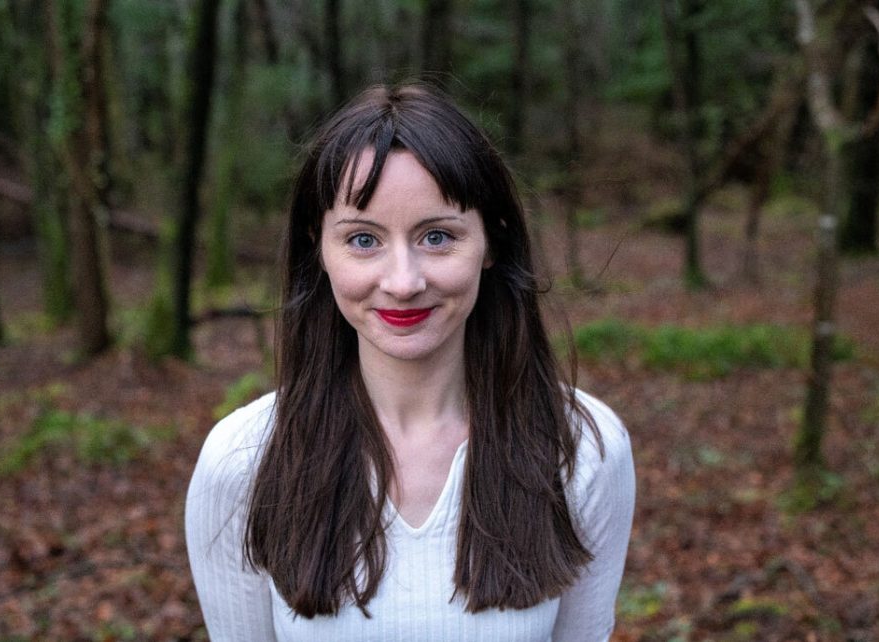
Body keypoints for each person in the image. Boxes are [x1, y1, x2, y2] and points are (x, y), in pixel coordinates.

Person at [185, 84, 635, 642]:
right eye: (364, 240)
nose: (403, 282)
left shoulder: (584, 450)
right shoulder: (243, 462)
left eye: (438, 236)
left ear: (491, 244)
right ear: (319, 250)